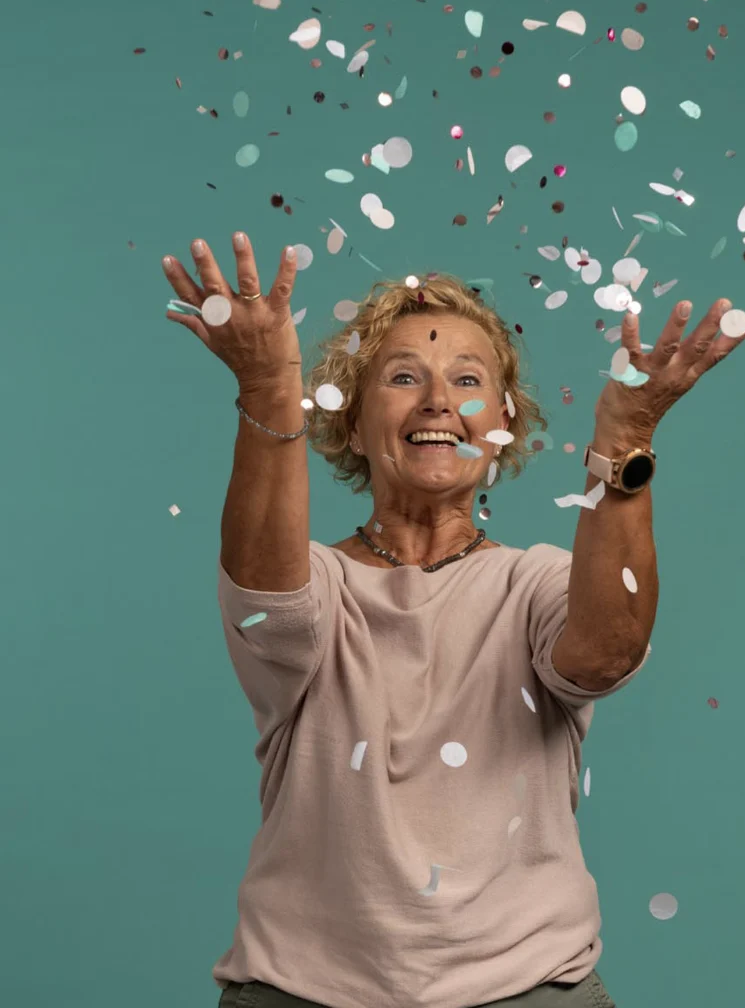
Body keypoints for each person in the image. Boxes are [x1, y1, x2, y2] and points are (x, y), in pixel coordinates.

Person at [163, 232, 649, 1008]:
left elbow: (602, 656)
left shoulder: (537, 582)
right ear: (353, 424)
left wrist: (625, 442)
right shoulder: (315, 580)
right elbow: (271, 611)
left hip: (527, 989)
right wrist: (267, 383)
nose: (436, 401)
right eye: (401, 377)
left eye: (466, 379)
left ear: (499, 426)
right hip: (302, 991)